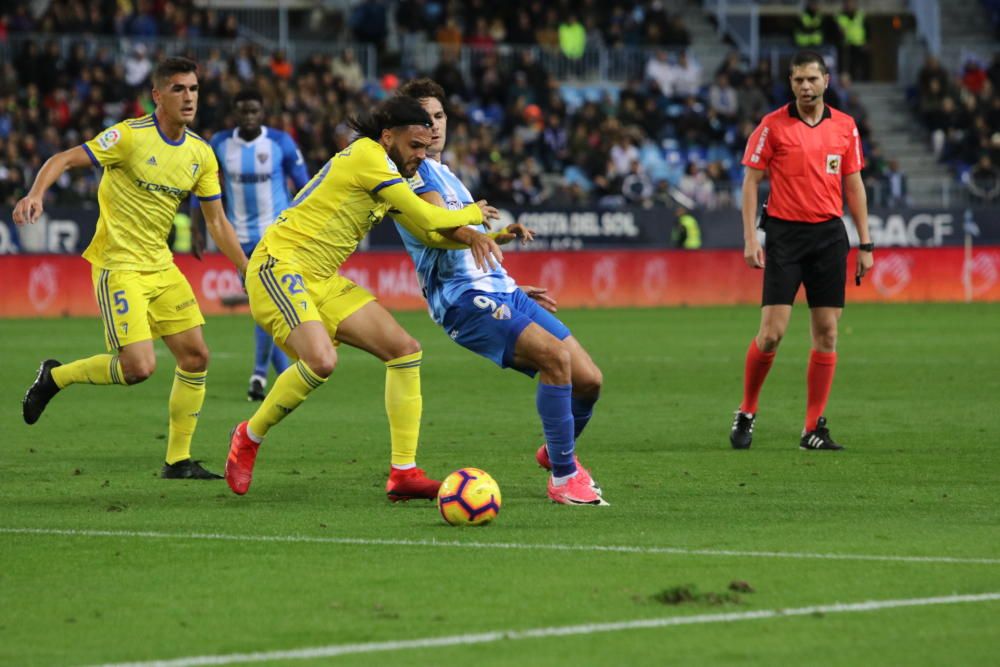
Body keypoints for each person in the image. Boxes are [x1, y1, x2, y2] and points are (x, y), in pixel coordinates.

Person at [224, 96, 502, 499]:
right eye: (414, 146)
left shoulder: (391, 171)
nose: (421, 156)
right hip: (279, 265)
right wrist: (473, 213)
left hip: (319, 277)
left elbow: (427, 234)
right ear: (388, 136)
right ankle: (248, 437)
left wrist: (484, 239)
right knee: (321, 360)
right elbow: (429, 218)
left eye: (425, 148)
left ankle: (404, 473)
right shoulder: (369, 157)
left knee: (404, 350)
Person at [15, 56, 249, 478]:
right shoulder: (128, 136)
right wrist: (35, 194)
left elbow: (217, 221)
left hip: (161, 266)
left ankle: (177, 461)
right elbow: (65, 159)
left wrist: (245, 268)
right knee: (139, 368)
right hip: (117, 264)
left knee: (196, 357)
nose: (189, 97)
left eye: (193, 89)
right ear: (157, 96)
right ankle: (56, 378)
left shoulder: (200, 154)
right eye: (178, 89)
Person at [396, 78, 606, 506]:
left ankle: (555, 449)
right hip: (462, 301)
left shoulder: (448, 173)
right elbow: (441, 228)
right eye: (422, 119)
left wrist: (500, 247)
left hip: (496, 289)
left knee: (589, 381)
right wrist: (478, 243)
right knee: (555, 358)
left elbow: (468, 235)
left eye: (438, 116)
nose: (433, 127)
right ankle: (565, 478)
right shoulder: (413, 175)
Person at [730, 50, 874, 452]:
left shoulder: (845, 127)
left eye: (812, 79)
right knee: (772, 333)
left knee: (827, 333)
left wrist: (865, 242)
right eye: (798, 81)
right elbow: (750, 181)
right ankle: (747, 409)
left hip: (829, 236)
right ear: (790, 84)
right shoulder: (771, 126)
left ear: (827, 81)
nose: (806, 87)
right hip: (785, 236)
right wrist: (749, 238)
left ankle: (813, 428)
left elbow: (854, 185)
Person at [209, 89, 310, 401]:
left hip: (275, 235)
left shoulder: (280, 142)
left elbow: (305, 185)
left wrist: (306, 226)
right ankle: (283, 375)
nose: (249, 117)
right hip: (238, 239)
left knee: (263, 305)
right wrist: (201, 229)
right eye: (243, 111)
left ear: (262, 112)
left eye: (254, 111)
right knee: (263, 309)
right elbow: (204, 187)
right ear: (235, 113)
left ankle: (258, 375)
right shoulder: (220, 144)